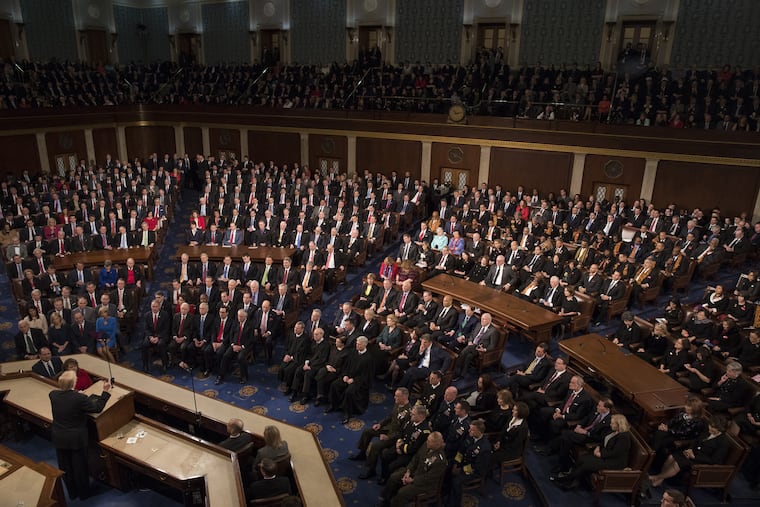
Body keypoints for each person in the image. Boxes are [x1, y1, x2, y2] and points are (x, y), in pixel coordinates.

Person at [49, 370, 112, 500]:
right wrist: (105, 392)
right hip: (76, 439)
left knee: (65, 467)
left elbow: (67, 399)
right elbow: (97, 408)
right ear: (74, 382)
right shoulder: (80, 398)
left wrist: (76, 394)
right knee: (79, 468)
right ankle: (84, 494)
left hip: (59, 437)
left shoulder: (53, 395)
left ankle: (72, 493)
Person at [550, 414, 632, 490]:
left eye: (613, 423)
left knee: (585, 465)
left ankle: (564, 480)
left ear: (619, 424)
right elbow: (604, 440)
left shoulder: (624, 437)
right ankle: (572, 483)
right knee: (582, 458)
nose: (610, 425)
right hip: (605, 456)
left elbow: (615, 453)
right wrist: (598, 447)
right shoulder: (614, 431)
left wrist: (600, 454)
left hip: (614, 462)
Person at [646, 415, 730, 489]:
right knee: (671, 457)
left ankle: (656, 477)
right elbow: (695, 441)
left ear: (720, 429)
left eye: (714, 427)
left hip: (699, 461)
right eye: (710, 425)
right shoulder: (707, 432)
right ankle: (660, 480)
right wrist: (690, 449)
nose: (710, 428)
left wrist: (695, 457)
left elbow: (715, 460)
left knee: (677, 464)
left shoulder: (723, 442)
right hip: (691, 453)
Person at [378, 431, 447, 507]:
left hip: (425, 484)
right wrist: (408, 471)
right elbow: (415, 458)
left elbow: (429, 478)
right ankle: (386, 500)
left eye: (429, 441)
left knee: (402, 492)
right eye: (427, 440)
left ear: (436, 444)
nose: (427, 442)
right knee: (394, 477)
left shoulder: (440, 460)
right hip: (414, 472)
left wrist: (412, 480)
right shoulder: (426, 445)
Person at [650, 397, 706, 474]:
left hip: (681, 438)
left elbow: (685, 433)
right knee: (660, 433)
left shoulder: (698, 422)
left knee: (663, 440)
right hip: (671, 432)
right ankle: (652, 454)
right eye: (686, 405)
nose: (686, 407)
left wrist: (668, 430)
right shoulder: (682, 414)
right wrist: (665, 426)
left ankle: (652, 458)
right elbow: (672, 421)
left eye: (688, 406)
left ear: (695, 408)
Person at [489, 401, 529, 471]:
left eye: (515, 410)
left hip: (511, 451)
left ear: (520, 413)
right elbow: (503, 430)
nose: (512, 410)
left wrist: (500, 446)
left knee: (491, 456)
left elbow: (515, 444)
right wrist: (498, 441)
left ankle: (485, 473)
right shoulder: (512, 417)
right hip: (503, 443)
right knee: (487, 447)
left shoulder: (523, 428)